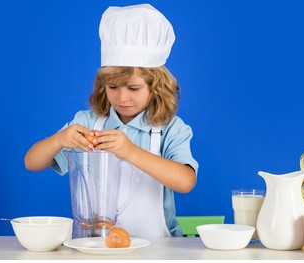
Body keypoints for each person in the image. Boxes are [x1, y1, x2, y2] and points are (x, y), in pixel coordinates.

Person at [24, 4, 198, 237]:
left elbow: (186, 182)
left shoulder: (170, 128)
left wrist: (129, 151)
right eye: (113, 87)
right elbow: (31, 162)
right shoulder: (88, 122)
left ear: (156, 87)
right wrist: (60, 139)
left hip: (159, 247)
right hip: (98, 243)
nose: (122, 97)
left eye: (134, 88)